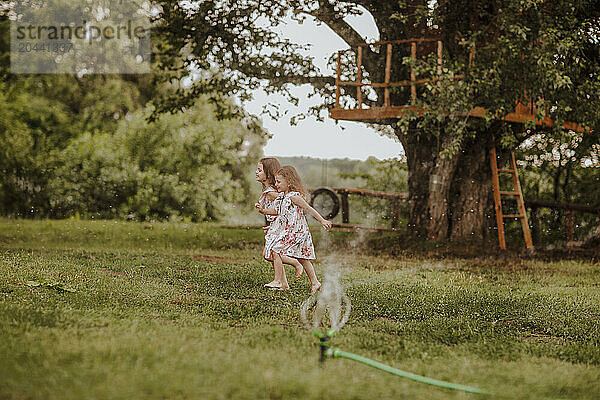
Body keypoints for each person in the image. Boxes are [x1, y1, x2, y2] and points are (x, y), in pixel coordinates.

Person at [256, 166, 332, 292]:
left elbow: (309, 209)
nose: (276, 184)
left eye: (279, 182)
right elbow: (277, 211)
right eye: (275, 181)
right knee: (302, 258)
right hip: (288, 231)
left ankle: (279, 281)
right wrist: (263, 210)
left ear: (289, 182)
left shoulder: (293, 197)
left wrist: (322, 220)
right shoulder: (281, 197)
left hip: (297, 232)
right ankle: (315, 282)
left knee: (276, 250)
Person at [254, 158, 304, 289]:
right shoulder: (268, 190)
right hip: (275, 225)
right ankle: (283, 283)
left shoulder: (272, 193)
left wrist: (277, 225)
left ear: (268, 174)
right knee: (269, 254)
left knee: (270, 253)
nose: (256, 172)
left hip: (280, 225)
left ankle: (294, 263)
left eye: (259, 170)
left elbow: (284, 207)